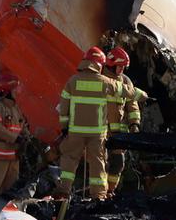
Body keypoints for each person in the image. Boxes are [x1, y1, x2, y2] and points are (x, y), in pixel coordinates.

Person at [54, 47, 114, 201]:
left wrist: (64, 127)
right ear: (99, 65)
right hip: (97, 134)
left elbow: (64, 106)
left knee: (69, 159)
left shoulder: (72, 81)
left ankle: (63, 192)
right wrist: (142, 95)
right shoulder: (105, 82)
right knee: (98, 162)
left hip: (75, 131)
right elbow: (123, 91)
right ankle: (99, 195)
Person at [101, 47, 147, 197]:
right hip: (101, 131)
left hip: (119, 134)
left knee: (118, 163)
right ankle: (98, 192)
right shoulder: (100, 79)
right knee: (100, 164)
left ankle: (110, 191)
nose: (121, 70)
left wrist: (135, 123)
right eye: (120, 67)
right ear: (111, 64)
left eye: (123, 67)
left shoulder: (126, 80)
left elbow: (132, 104)